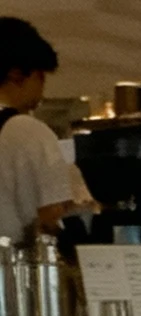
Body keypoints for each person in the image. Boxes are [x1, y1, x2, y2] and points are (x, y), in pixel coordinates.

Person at [0, 19, 90, 243]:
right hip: (13, 268)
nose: (41, 91)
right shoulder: (28, 130)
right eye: (41, 77)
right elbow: (51, 217)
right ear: (16, 75)